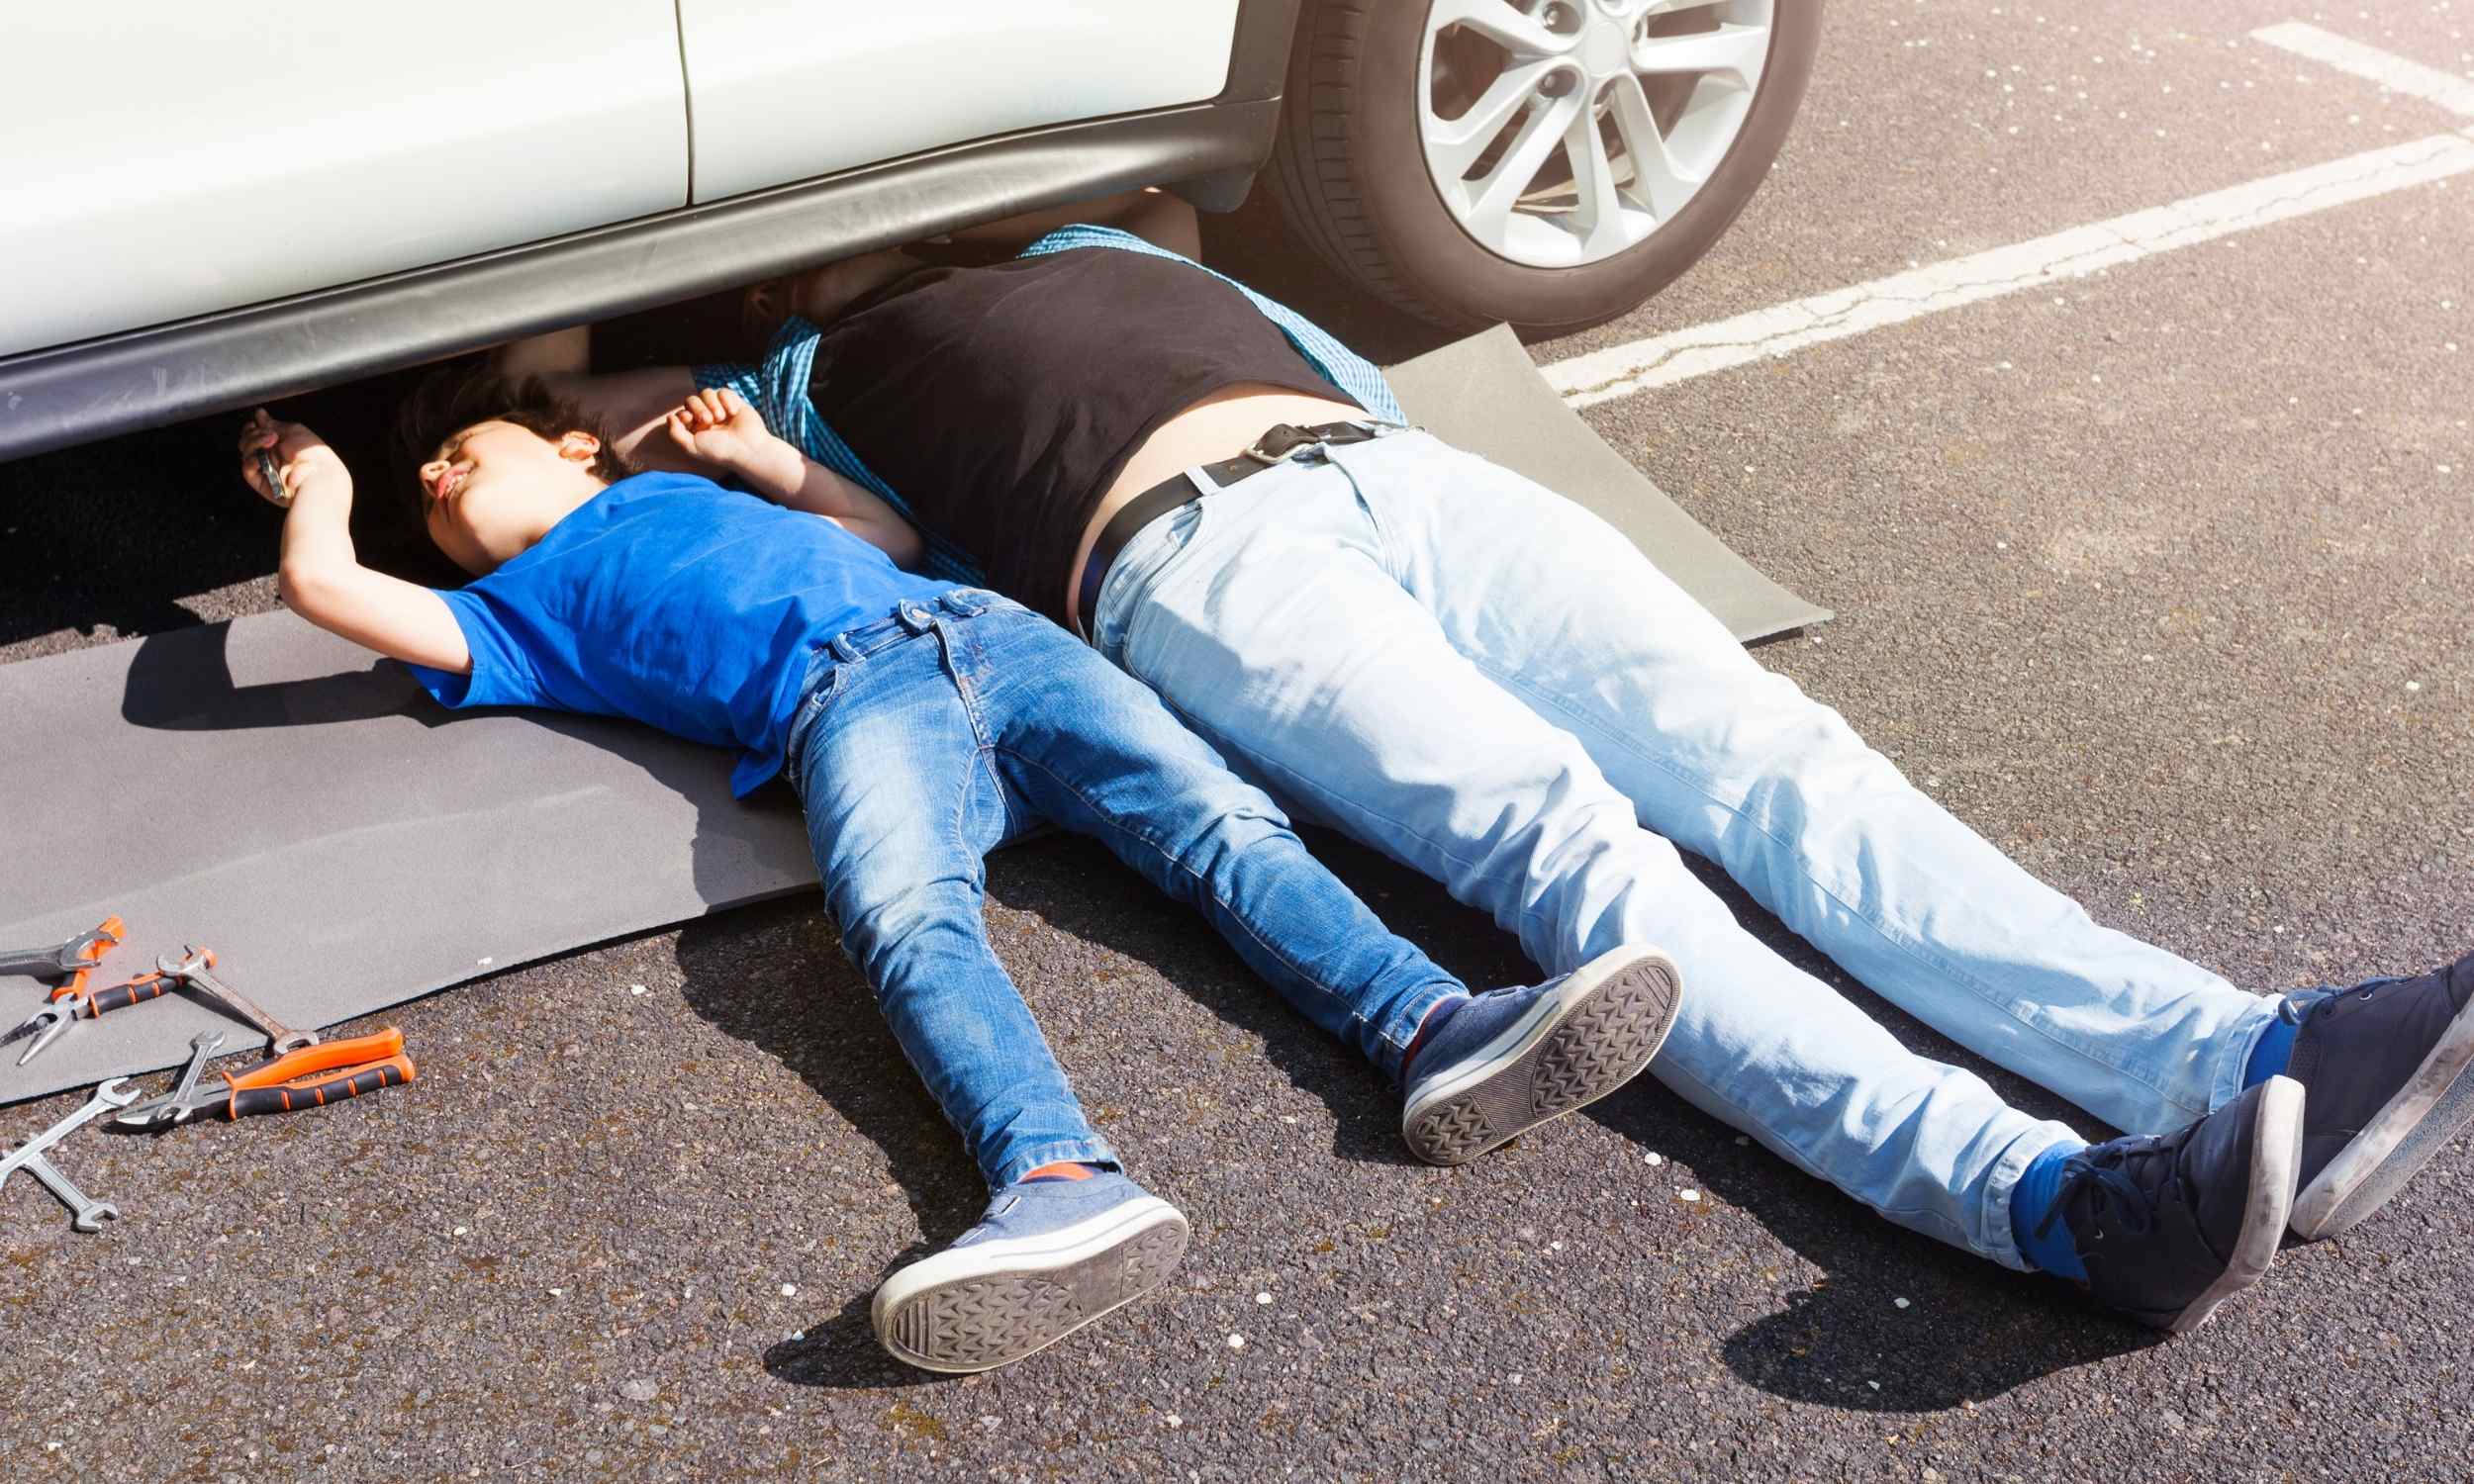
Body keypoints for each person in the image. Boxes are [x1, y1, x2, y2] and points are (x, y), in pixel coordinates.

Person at [508, 188, 2471, 1333]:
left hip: (1399, 480)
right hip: (1184, 566)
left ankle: (2243, 1056)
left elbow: (1290, 322)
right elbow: (881, 557)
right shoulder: (787, 379)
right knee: (1570, 853)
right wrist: (739, 447)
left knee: (1782, 762)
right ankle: (2036, 1201)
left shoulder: (1098, 225)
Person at [234, 378, 1682, 1375]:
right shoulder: (509, 617)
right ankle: (1054, 1178)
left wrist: (766, 463)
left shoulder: (679, 489)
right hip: (842, 708)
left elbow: (885, 538)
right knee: (908, 918)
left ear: (577, 450)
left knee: (1220, 825)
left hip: (982, 627)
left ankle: (1437, 1031)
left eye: (460, 453)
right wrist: (326, 484)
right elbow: (329, 588)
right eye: (425, 490)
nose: (435, 480)